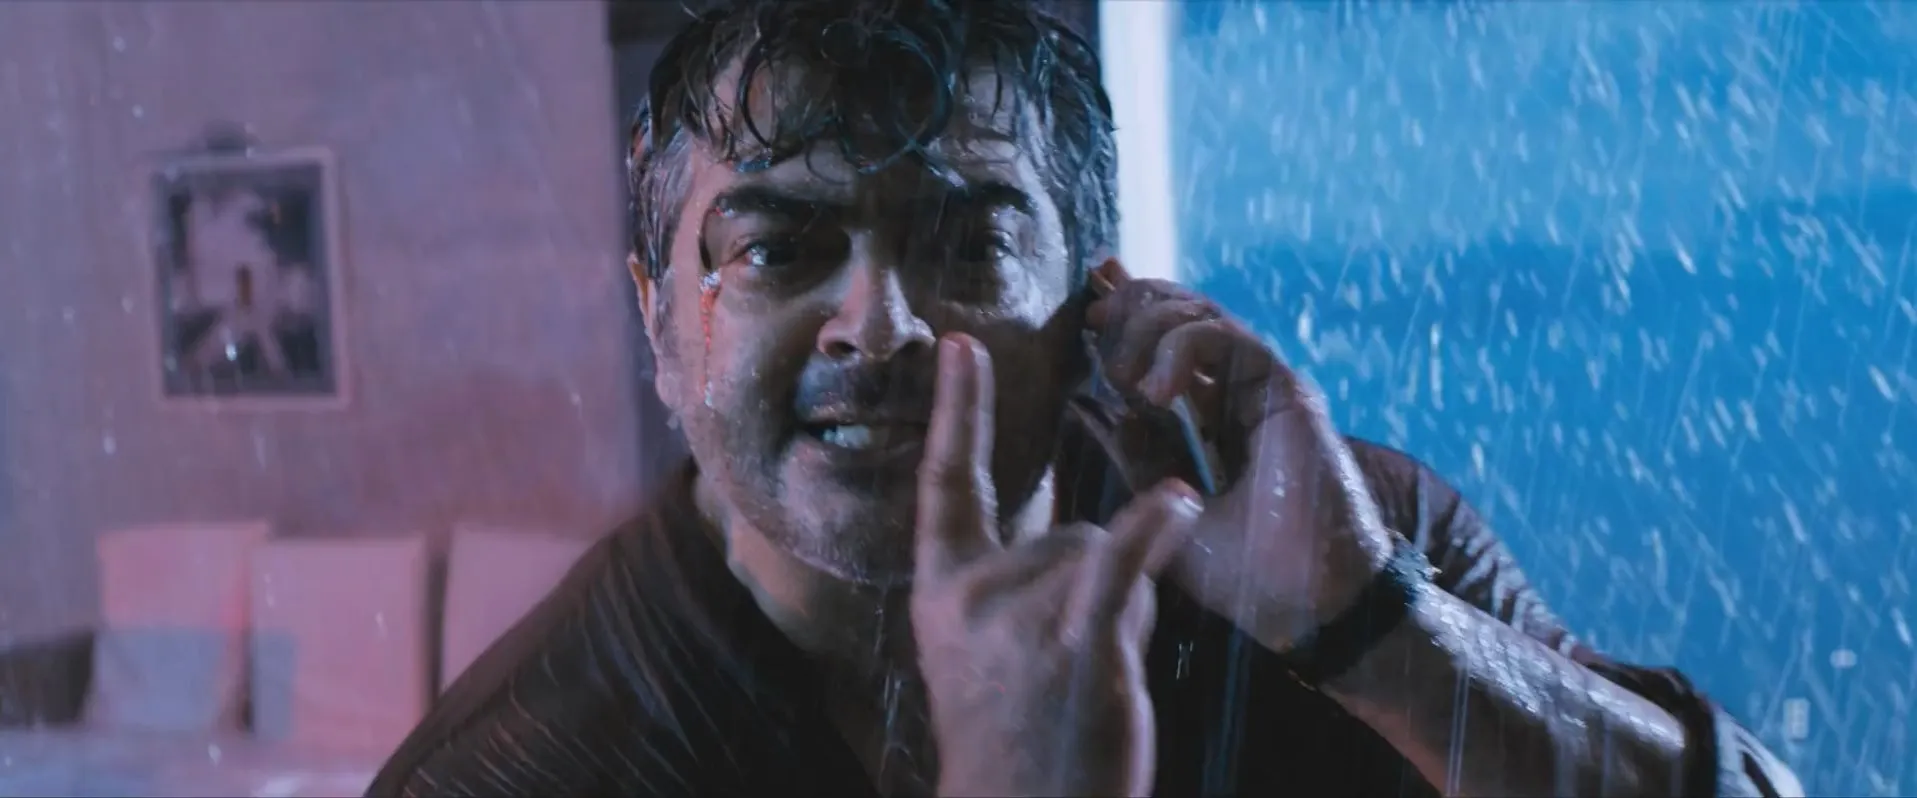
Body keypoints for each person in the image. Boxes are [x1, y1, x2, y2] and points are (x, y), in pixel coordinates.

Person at [368, 1, 1803, 795]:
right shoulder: (518, 773)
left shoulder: (1339, 539)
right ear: (660, 326)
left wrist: (1373, 629)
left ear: (1098, 291)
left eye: (966, 241)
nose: (879, 323)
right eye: (776, 249)